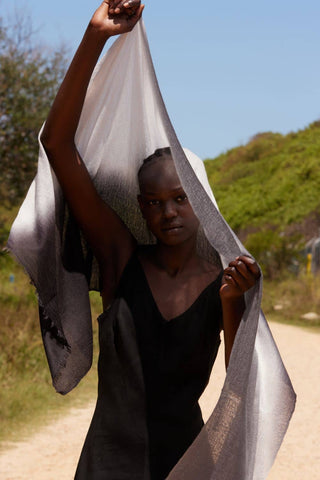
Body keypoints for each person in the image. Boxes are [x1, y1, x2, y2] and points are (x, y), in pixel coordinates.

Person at [40, 1, 261, 478]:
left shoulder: (224, 282)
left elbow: (239, 387)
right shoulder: (121, 259)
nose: (169, 212)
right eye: (155, 202)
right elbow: (57, 145)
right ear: (141, 207)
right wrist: (95, 37)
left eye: (181, 199)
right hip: (107, 463)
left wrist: (232, 302)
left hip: (183, 464)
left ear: (203, 203)